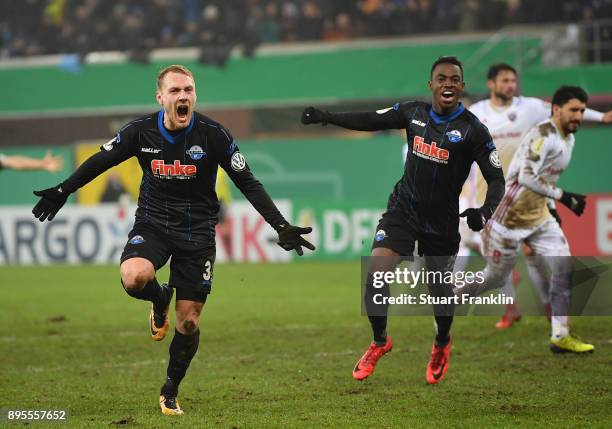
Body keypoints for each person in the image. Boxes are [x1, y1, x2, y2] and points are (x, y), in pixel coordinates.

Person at [31, 64, 314, 416]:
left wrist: (280, 225)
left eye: (189, 90)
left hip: (197, 234)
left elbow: (248, 182)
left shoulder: (214, 135)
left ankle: (170, 389)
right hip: (153, 224)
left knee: (189, 322)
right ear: (160, 97)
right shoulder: (140, 132)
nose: (183, 96)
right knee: (134, 277)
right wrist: (63, 189)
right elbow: (102, 161)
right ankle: (159, 295)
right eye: (176, 90)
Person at [301, 56, 505, 384]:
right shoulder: (414, 113)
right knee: (377, 273)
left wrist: (484, 211)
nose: (448, 83)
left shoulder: (473, 131)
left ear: (462, 86)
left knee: (440, 294)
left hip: (441, 222)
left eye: (454, 79)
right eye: (442, 78)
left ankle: (442, 343)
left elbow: (497, 179)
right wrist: (328, 117)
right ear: (432, 85)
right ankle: (380, 342)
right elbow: (370, 119)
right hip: (403, 211)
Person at [463, 63, 612, 329]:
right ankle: (511, 308)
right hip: (492, 195)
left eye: (513, 80)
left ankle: (547, 305)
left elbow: (568, 109)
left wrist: (602, 118)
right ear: (491, 84)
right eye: (505, 80)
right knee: (497, 257)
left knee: (533, 253)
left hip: (527, 192)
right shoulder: (477, 113)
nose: (511, 85)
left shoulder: (529, 107)